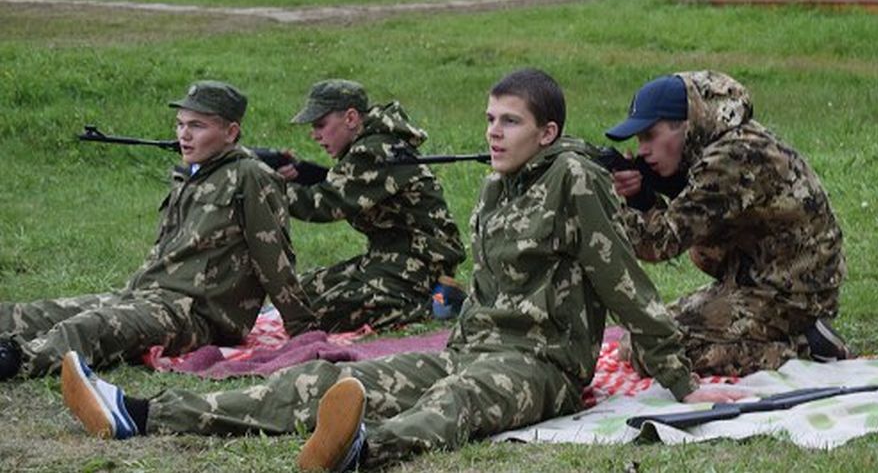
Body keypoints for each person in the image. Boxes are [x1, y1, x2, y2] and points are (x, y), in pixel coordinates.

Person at [60, 69, 739, 470]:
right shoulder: (500, 186)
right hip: (470, 346)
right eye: (489, 119)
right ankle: (140, 413)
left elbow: (625, 285)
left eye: (510, 121)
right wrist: (457, 341)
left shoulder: (575, 182)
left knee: (458, 403)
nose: (493, 133)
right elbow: (487, 289)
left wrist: (683, 384)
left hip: (541, 366)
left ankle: (358, 450)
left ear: (549, 132)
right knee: (324, 378)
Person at [0, 81, 318, 381]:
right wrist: (131, 295)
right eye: (180, 124)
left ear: (231, 131)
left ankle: (16, 360)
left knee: (90, 327)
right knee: (34, 313)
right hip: (148, 296)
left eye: (197, 126)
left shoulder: (251, 177)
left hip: (197, 315)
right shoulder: (193, 174)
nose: (184, 135)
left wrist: (303, 329)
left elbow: (273, 259)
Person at [605, 71, 849, 377]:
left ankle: (801, 345)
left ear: (686, 124)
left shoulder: (728, 158)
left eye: (650, 136)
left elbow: (660, 244)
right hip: (759, 279)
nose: (642, 150)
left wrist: (621, 201)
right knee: (637, 339)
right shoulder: (721, 142)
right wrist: (644, 192)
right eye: (640, 139)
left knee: (657, 354)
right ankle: (794, 333)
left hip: (793, 293)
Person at [281, 79, 466, 331]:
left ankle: (428, 303)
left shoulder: (376, 149)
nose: (315, 135)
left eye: (321, 125)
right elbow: (339, 182)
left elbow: (324, 204)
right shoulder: (370, 144)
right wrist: (298, 176)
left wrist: (269, 189)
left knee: (316, 314)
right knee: (298, 294)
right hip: (387, 255)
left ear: (350, 118)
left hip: (419, 262)